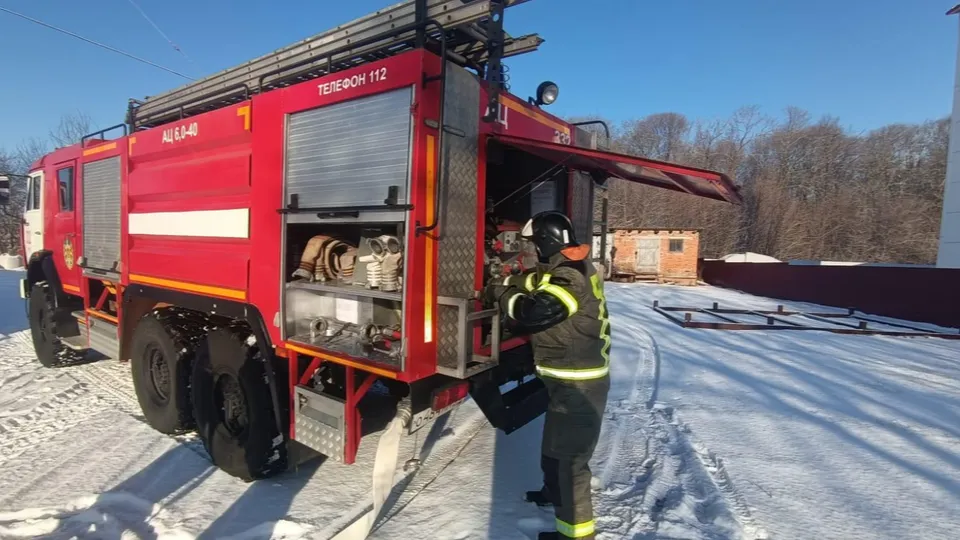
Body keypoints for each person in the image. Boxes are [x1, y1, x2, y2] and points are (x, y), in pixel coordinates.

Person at [482, 211, 611, 540]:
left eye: (533, 243)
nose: (531, 249)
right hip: (564, 379)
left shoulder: (570, 276)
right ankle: (553, 495)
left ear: (545, 242)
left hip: (579, 383)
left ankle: (576, 535)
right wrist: (505, 281)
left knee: (570, 464)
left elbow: (533, 312)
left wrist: (501, 297)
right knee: (554, 447)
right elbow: (533, 282)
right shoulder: (562, 266)